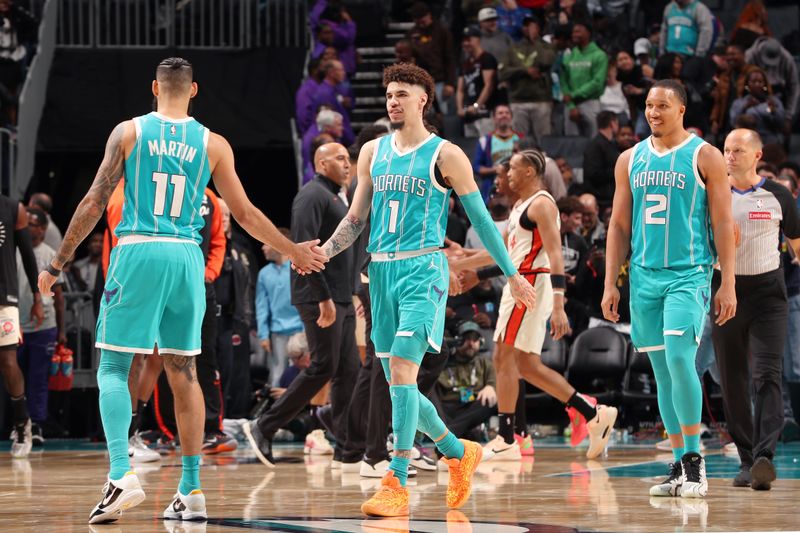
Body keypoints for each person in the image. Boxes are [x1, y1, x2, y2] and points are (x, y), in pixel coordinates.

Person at [37, 57, 327, 524]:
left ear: (155, 88)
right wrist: (292, 249)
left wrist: (57, 262)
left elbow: (94, 201)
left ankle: (119, 475)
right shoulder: (214, 143)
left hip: (139, 250)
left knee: (114, 364)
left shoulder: (128, 132)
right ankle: (191, 490)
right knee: (184, 371)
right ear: (194, 91)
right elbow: (247, 215)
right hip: (187, 258)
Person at [304, 63, 536, 516]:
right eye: (389, 94)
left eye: (402, 94)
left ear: (423, 100)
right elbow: (355, 220)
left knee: (406, 375)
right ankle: (457, 451)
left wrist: (510, 271)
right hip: (381, 274)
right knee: (398, 386)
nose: (393, 101)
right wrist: (325, 253)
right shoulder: (372, 151)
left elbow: (482, 221)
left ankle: (398, 480)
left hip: (423, 272)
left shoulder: (446, 155)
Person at [602, 79, 736, 499]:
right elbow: (619, 225)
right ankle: (678, 464)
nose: (653, 112)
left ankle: (696, 462)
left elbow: (723, 226)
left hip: (689, 273)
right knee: (661, 373)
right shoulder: (629, 159)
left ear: (681, 110)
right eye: (648, 105)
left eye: (662, 105)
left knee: (681, 359)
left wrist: (726, 282)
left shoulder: (706, 156)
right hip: (643, 277)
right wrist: (612, 281)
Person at [451, 150, 618, 461]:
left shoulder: (541, 203)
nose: (507, 175)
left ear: (529, 171)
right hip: (522, 281)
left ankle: (506, 438)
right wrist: (464, 258)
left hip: (529, 285)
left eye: (512, 169)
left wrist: (559, 305)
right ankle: (591, 411)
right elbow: (504, 252)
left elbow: (555, 256)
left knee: (502, 356)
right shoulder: (520, 206)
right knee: (526, 365)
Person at [245, 142, 362, 469]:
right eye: (340, 158)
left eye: (348, 158)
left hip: (341, 296)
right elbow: (302, 251)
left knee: (349, 370)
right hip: (319, 296)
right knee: (324, 366)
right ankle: (264, 425)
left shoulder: (339, 195)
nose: (347, 163)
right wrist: (323, 297)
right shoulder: (311, 196)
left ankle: (348, 444)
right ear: (321, 163)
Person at [714, 128, 800, 490]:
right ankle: (747, 459)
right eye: (726, 150)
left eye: (737, 150)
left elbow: (796, 244)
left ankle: (765, 456)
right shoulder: (712, 194)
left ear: (757, 154)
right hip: (725, 290)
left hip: (768, 293)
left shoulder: (778, 193)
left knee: (768, 374)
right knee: (732, 379)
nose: (730, 156)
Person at [14, 207, 65, 447]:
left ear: (43, 229)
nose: (29, 227)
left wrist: (62, 330)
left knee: (38, 379)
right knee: (16, 375)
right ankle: (19, 423)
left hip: (45, 324)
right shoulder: (13, 250)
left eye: (33, 224)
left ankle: (37, 425)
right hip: (17, 322)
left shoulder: (50, 254)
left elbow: (60, 295)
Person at [256, 228, 304, 388]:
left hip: (299, 331)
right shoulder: (264, 273)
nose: (263, 248)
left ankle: (302, 411)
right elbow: (262, 306)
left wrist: (306, 330)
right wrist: (263, 335)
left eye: (266, 243)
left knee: (301, 373)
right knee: (277, 374)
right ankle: (276, 411)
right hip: (277, 334)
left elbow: (306, 300)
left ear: (278, 243)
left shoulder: (297, 267)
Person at [498, 15, 555, 145]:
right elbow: (502, 72)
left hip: (541, 100)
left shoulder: (546, 46)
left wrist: (536, 42)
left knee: (544, 142)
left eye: (532, 25)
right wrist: (524, 71)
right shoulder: (513, 48)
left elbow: (547, 61)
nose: (528, 28)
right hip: (518, 100)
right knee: (520, 142)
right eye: (526, 25)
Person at [435, 321, 496, 439]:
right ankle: (456, 433)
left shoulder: (485, 364)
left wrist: (490, 387)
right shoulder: (444, 362)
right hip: (447, 408)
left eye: (475, 339)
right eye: (466, 339)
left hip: (470, 407)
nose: (471, 343)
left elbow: (492, 385)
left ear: (481, 342)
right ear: (458, 340)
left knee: (490, 401)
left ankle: (447, 437)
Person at [561, 21, 608, 138]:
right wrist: (571, 104)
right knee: (571, 141)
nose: (574, 35)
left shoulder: (599, 55)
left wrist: (574, 95)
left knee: (594, 139)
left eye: (578, 31)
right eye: (573, 32)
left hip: (591, 102)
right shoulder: (569, 55)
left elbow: (597, 82)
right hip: (571, 105)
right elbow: (564, 80)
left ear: (588, 33)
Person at [456, 26, 498, 138]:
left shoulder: (487, 59)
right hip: (468, 115)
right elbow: (460, 89)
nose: (465, 43)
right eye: (464, 40)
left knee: (486, 148)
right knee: (470, 150)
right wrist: (460, 108)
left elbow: (489, 85)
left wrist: (477, 106)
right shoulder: (465, 63)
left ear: (478, 39)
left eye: (469, 40)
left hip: (485, 113)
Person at [729, 69, 786, 147]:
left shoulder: (774, 101)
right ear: (747, 84)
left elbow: (781, 124)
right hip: (746, 142)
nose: (757, 84)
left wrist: (773, 111)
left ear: (765, 84)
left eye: (760, 82)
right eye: (753, 82)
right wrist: (744, 107)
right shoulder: (739, 103)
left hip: (769, 142)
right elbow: (733, 122)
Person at [582, 111, 620, 206]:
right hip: (601, 199)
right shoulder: (596, 146)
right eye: (617, 123)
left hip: (609, 197)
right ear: (612, 123)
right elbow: (593, 173)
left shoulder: (610, 144)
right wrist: (618, 170)